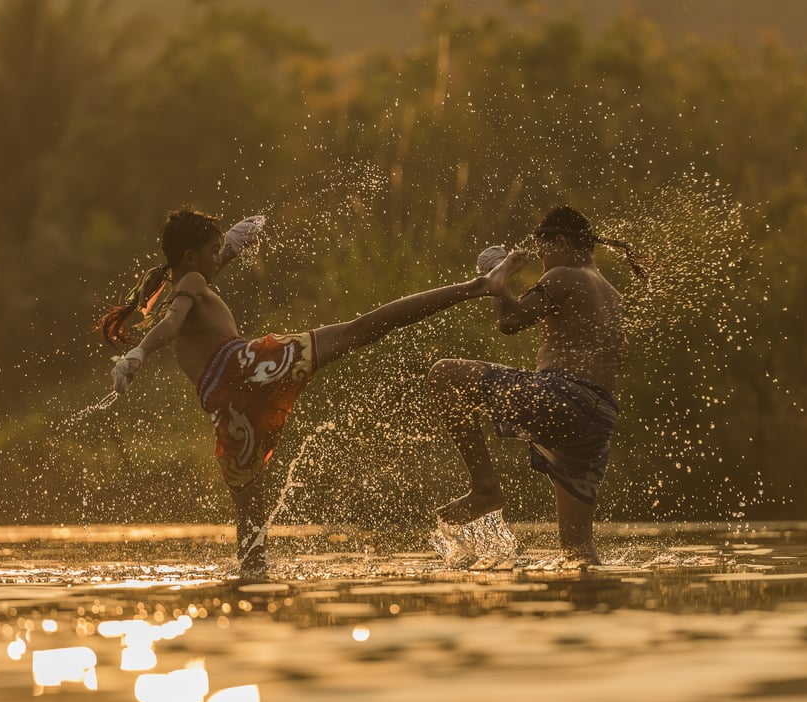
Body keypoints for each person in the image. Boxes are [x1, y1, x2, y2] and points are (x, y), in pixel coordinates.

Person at [98, 205, 510, 573]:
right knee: (360, 329)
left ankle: (252, 591)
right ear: (190, 256)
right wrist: (138, 352)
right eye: (213, 250)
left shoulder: (188, 278)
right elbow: (170, 322)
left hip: (226, 407)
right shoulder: (189, 282)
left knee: (251, 534)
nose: (216, 258)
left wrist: (233, 247)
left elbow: (198, 282)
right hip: (251, 368)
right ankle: (478, 287)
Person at [424, 205, 636, 566]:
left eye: (545, 251)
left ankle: (484, 489)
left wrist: (498, 276)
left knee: (444, 374)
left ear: (564, 243)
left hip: (565, 399)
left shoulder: (565, 275)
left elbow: (509, 321)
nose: (542, 262)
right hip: (598, 421)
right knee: (578, 554)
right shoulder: (613, 295)